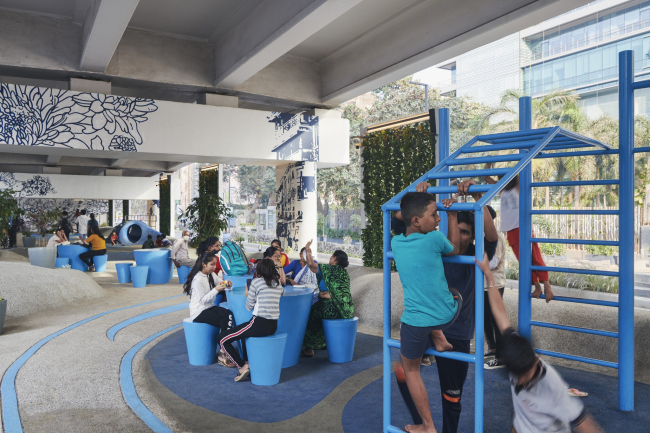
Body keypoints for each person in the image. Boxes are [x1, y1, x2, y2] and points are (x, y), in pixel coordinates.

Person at [393, 180, 499, 433]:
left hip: (457, 329)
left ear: (473, 236)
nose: (459, 237)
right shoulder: (431, 243)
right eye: (456, 231)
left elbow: (491, 235)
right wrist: (419, 196)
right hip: (428, 324)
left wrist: (478, 197)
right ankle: (422, 421)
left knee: (451, 395)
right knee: (403, 370)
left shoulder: (475, 254)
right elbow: (401, 219)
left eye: (465, 232)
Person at [472, 256, 604, 433]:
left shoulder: (552, 386)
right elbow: (499, 312)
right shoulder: (515, 354)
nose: (522, 383)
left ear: (536, 360)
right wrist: (488, 273)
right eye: (517, 376)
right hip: (524, 424)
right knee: (519, 411)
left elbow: (586, 425)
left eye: (525, 377)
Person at [390, 191, 463, 433]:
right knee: (453, 292)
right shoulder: (434, 239)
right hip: (447, 314)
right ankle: (438, 335)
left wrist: (416, 199)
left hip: (416, 322)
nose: (438, 218)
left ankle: (428, 426)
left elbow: (400, 214)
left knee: (410, 369)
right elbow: (454, 249)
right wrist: (453, 215)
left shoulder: (396, 243)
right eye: (434, 214)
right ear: (417, 221)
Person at [483, 163, 554, 303]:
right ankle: (537, 286)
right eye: (500, 178)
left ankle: (547, 285)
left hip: (522, 228)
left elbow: (523, 170)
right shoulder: (502, 189)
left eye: (504, 177)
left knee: (535, 256)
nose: (502, 180)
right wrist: (489, 163)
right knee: (524, 261)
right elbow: (485, 176)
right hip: (510, 231)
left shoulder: (518, 187)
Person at [218, 258, 284, 382]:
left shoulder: (256, 282)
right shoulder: (278, 283)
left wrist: (247, 294)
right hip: (273, 326)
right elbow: (281, 293)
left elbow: (249, 307)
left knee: (222, 339)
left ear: (259, 270)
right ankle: (247, 362)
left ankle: (241, 367)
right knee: (244, 333)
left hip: (259, 324)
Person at [301, 241, 354, 357]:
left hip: (332, 308)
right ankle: (324, 342)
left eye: (331, 256)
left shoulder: (329, 269)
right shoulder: (345, 274)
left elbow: (311, 265)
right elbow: (342, 292)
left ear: (335, 259)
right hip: (346, 309)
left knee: (310, 314)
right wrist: (324, 295)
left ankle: (310, 347)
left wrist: (308, 251)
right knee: (319, 306)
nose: (330, 258)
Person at [184, 251, 234, 368]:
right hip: (198, 311)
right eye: (212, 264)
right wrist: (216, 289)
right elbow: (203, 301)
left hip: (209, 307)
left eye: (215, 264)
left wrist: (227, 284)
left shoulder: (210, 275)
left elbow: (220, 283)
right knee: (225, 318)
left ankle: (223, 349)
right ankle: (224, 351)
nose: (215, 267)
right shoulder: (198, 279)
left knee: (228, 313)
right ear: (204, 264)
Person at [484, 205, 507, 369]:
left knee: (495, 319)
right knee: (485, 318)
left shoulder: (496, 237)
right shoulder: (482, 237)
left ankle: (501, 356)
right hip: (485, 284)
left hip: (495, 284)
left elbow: (493, 263)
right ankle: (492, 348)